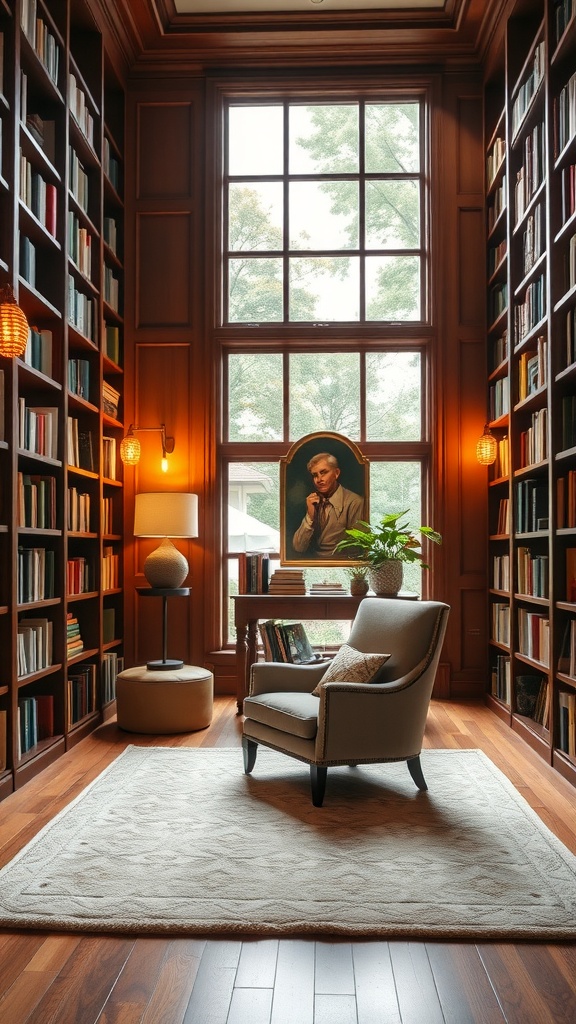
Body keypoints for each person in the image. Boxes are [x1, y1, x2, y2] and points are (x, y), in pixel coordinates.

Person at [292, 452, 364, 559]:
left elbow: (357, 548)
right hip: (314, 566)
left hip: (341, 567)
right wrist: (310, 517)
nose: (319, 479)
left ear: (336, 473)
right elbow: (298, 547)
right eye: (315, 475)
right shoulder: (311, 501)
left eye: (323, 472)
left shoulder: (355, 502)